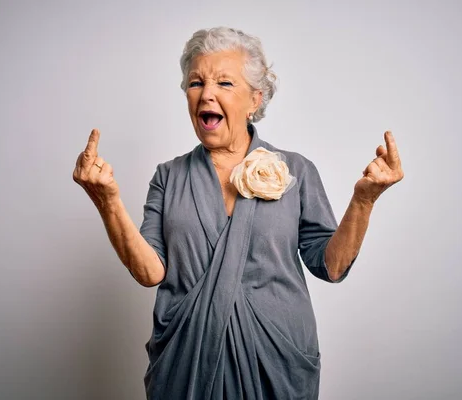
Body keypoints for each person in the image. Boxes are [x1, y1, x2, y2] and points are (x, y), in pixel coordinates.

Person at [73, 27, 403, 399]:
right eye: (196, 83)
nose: (206, 94)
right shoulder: (168, 177)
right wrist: (107, 200)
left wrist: (364, 201)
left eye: (224, 83)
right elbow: (150, 272)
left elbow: (331, 266)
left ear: (255, 100)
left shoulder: (297, 170)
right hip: (186, 358)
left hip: (276, 360)